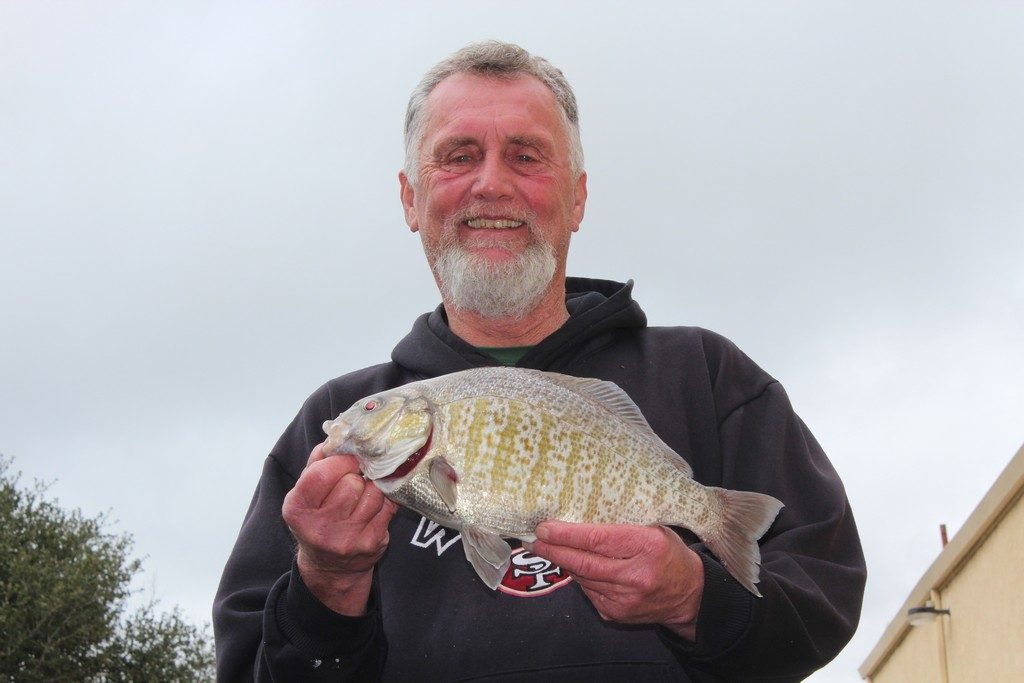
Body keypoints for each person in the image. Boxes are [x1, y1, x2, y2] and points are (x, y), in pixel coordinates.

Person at [213, 41, 866, 681]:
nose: (491, 184)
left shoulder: (709, 377)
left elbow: (824, 594)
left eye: (526, 157)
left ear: (577, 198)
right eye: (458, 156)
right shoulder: (329, 426)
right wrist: (327, 583)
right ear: (410, 199)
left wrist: (698, 598)